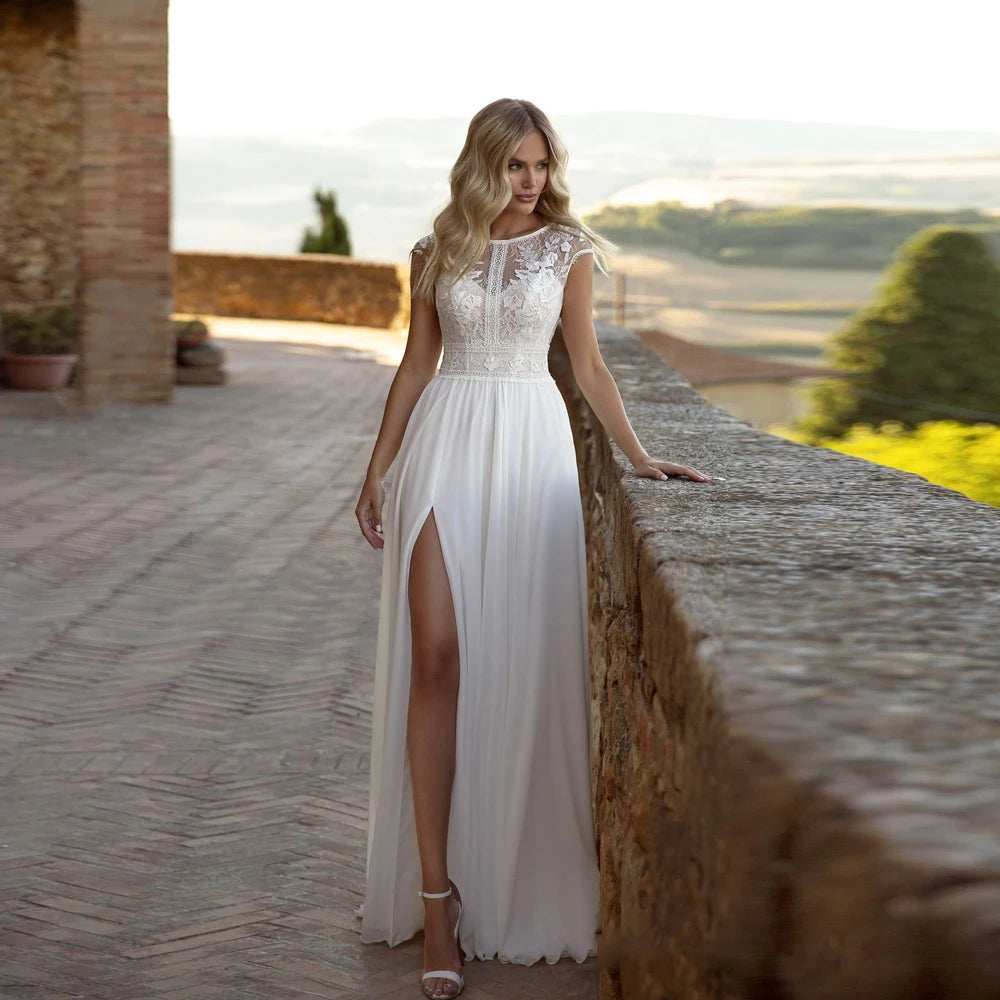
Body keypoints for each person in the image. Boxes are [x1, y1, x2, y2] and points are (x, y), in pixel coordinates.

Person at [355, 97, 712, 999]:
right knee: (436, 656)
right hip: (445, 444)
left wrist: (637, 457)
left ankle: (510, 873)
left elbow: (586, 363)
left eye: (540, 165)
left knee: (519, 662)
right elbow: (415, 364)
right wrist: (376, 472)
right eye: (514, 166)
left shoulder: (568, 249)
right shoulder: (435, 253)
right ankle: (438, 901)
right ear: (483, 165)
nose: (530, 182)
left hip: (531, 449)